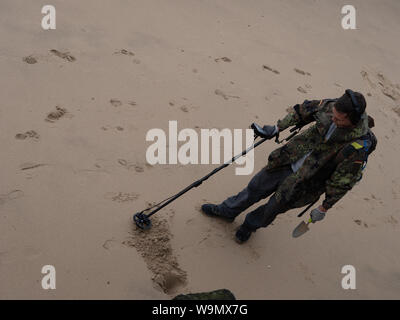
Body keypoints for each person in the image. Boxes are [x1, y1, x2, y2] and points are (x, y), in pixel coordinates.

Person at [201, 89, 377, 243]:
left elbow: (342, 182)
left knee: (271, 209)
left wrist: (324, 207)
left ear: (352, 120)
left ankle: (249, 226)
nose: (334, 119)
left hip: (306, 182)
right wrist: (277, 128)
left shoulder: (357, 148)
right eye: (333, 115)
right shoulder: (331, 106)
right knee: (254, 187)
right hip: (288, 159)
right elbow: (302, 111)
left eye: (339, 120)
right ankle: (227, 211)